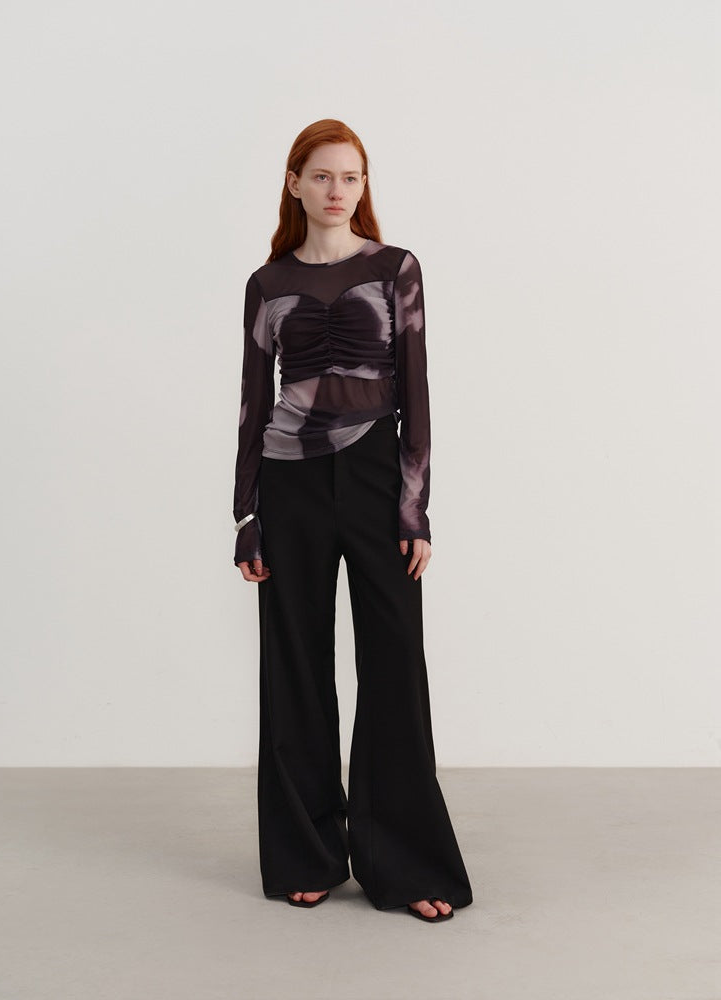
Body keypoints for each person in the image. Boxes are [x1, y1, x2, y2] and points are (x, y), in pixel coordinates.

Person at [232, 119, 473, 923]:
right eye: (323, 176)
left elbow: (415, 392)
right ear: (294, 182)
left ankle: (405, 862)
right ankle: (306, 852)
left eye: (352, 177)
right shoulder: (266, 283)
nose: (338, 191)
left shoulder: (394, 269)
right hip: (289, 483)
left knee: (394, 664)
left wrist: (415, 507)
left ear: (363, 187)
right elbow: (252, 402)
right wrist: (247, 513)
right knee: (295, 667)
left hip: (375, 478)